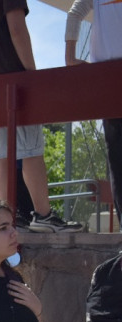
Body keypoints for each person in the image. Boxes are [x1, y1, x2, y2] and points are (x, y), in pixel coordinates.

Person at [0, 0, 83, 233]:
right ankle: (43, 215)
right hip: (14, 77)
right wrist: (32, 74)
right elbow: (17, 28)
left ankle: (7, 218)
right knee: (32, 148)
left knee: (0, 153)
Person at [65, 0, 122, 224]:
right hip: (107, 80)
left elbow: (74, 13)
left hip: (107, 80)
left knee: (118, 162)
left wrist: (70, 55)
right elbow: (74, 12)